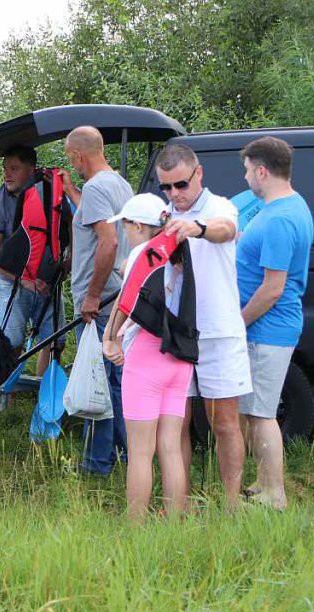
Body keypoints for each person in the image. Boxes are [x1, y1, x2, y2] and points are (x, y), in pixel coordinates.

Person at [156, 143, 246, 510]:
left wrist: (198, 227)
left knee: (223, 423)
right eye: (166, 186)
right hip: (177, 331)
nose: (174, 193)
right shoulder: (163, 214)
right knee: (175, 423)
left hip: (217, 330)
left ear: (199, 174)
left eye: (180, 184)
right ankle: (179, 502)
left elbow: (226, 229)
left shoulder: (219, 207)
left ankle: (231, 504)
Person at [101, 194, 193, 520]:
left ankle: (135, 524)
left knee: (141, 451)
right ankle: (175, 519)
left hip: (146, 355)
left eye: (126, 227)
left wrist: (110, 339)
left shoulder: (144, 252)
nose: (126, 235)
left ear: (138, 226)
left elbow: (127, 302)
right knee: (170, 446)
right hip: (180, 355)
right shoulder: (182, 250)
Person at [235, 136, 314, 511]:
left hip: (266, 330)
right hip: (264, 330)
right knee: (253, 410)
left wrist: (238, 324)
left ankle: (274, 494)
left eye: (248, 170)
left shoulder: (281, 219)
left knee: (261, 414)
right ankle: (262, 483)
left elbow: (272, 289)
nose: (246, 177)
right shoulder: (287, 206)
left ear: (262, 171)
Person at [62, 126, 133, 475]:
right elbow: (96, 222)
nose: (71, 164)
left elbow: (109, 242)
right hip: (120, 297)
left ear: (78, 155)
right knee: (116, 383)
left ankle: (95, 464)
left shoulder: (94, 188)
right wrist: (70, 192)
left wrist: (91, 296)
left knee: (96, 382)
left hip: (100, 303)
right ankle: (123, 453)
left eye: (70, 158)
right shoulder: (119, 184)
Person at [0, 145, 59, 375]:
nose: (7, 174)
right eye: (5, 169)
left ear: (31, 170)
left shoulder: (49, 193)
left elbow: (70, 226)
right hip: (11, 281)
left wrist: (67, 262)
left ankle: (44, 387)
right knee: (11, 343)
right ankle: (3, 390)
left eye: (14, 169)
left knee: (55, 340)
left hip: (47, 280)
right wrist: (23, 280)